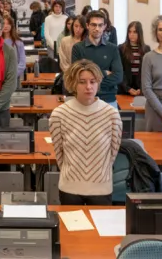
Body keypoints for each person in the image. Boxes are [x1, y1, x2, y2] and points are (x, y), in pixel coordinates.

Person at [49, 60, 122, 205]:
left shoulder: (111, 114)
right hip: (69, 188)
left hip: (101, 188)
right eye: (82, 82)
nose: (88, 87)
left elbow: (112, 153)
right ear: (73, 84)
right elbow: (59, 154)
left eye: (93, 81)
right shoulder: (59, 114)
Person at [72, 10, 123, 109]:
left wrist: (89, 80)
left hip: (108, 100)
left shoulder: (112, 48)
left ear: (104, 26)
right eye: (93, 25)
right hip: (85, 100)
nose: (97, 28)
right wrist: (104, 73)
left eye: (100, 25)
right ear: (87, 25)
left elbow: (118, 76)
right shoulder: (78, 48)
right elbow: (76, 76)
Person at [118, 21, 150, 96]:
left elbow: (147, 72)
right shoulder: (121, 48)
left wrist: (142, 88)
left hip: (141, 89)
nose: (131, 35)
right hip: (124, 88)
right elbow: (120, 70)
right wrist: (127, 88)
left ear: (140, 33)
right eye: (129, 32)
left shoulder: (146, 49)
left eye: (135, 32)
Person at [2, 16, 26, 81]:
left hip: (14, 78)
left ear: (12, 26)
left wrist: (12, 75)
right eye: (3, 23)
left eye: (8, 24)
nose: (5, 26)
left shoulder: (18, 43)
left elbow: (22, 63)